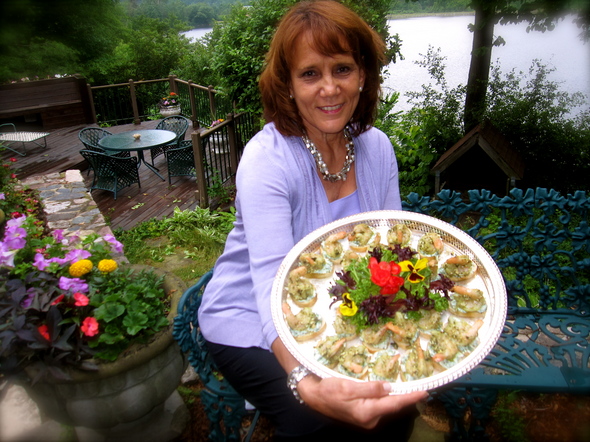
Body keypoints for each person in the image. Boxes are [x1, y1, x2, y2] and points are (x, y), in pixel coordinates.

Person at [198, 1, 427, 439]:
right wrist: (305, 381)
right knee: (316, 420)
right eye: (310, 74)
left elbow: (394, 249)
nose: (329, 88)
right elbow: (271, 284)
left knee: (394, 403)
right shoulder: (267, 161)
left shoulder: (377, 148)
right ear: (287, 85)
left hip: (331, 312)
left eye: (341, 69)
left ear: (362, 75)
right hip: (248, 316)